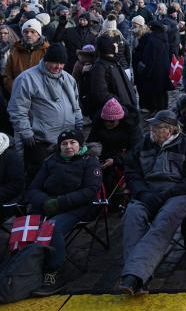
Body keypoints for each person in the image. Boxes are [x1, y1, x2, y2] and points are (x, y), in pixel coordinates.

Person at [118, 110, 186, 295]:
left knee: (163, 222)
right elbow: (131, 172)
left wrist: (168, 193)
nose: (152, 130)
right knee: (132, 215)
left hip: (177, 194)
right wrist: (141, 192)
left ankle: (134, 276)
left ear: (170, 130)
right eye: (152, 127)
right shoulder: (143, 145)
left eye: (157, 127)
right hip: (147, 192)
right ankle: (138, 277)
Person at [26, 130, 102, 296]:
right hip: (48, 205)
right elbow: (32, 189)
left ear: (80, 144)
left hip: (80, 208)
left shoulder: (90, 161)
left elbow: (91, 191)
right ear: (59, 146)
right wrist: (45, 201)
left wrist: (59, 202)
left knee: (52, 228)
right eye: (64, 143)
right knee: (25, 228)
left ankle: (56, 271)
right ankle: (27, 269)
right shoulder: (51, 161)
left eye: (73, 142)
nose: (68, 146)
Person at [8, 43, 83, 181]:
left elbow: (75, 105)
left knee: (63, 177)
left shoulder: (68, 78)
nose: (58, 67)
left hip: (65, 140)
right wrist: (26, 132)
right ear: (46, 60)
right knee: (39, 177)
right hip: (39, 141)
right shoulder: (27, 79)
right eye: (54, 62)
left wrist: (79, 123)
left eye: (61, 63)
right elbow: (17, 109)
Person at [134, 20, 173, 112]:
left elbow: (149, 58)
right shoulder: (164, 38)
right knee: (163, 90)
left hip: (154, 70)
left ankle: (156, 110)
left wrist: (146, 71)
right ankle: (164, 107)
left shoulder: (151, 40)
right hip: (164, 69)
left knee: (155, 91)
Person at [4, 18, 50, 94]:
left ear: (38, 34)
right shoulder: (15, 51)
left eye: (32, 32)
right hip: (19, 95)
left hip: (41, 97)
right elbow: (7, 75)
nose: (28, 34)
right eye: (25, 32)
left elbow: (52, 75)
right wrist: (15, 90)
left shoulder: (47, 51)